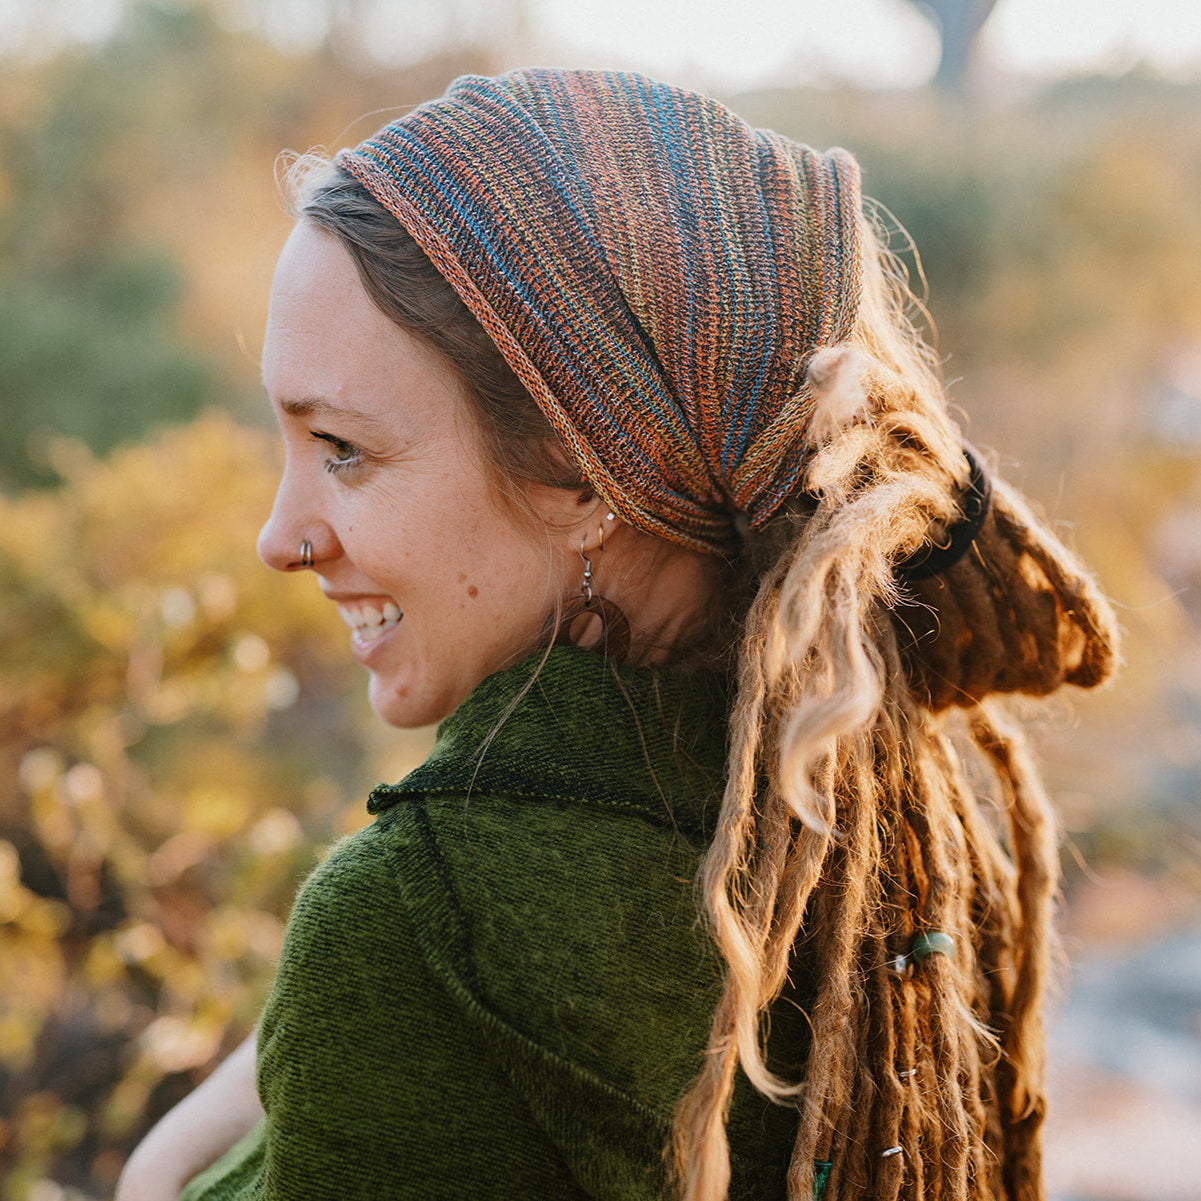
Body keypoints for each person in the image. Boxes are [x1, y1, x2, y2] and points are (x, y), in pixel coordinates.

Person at [115, 68, 1118, 1201]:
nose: (279, 537)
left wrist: (153, 1174)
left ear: (588, 477)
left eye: (342, 448)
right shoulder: (887, 837)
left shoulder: (429, 918)